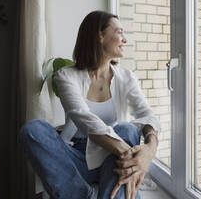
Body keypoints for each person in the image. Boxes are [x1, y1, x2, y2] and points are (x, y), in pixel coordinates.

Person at [18, 11, 160, 199]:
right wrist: (129, 153)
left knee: (127, 129)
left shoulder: (126, 77)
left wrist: (149, 150)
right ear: (99, 36)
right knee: (32, 130)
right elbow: (84, 118)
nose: (124, 39)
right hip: (75, 158)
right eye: (119, 32)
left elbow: (146, 113)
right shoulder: (66, 75)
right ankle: (80, 195)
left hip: (111, 158)